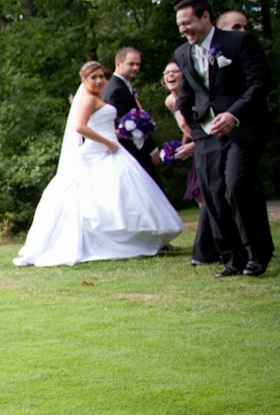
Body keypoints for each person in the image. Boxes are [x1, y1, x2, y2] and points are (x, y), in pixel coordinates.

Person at [14, 61, 184, 267]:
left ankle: (134, 240)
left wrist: (126, 132)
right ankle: (108, 241)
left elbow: (100, 124)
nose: (99, 81)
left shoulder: (97, 98)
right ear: (83, 80)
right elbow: (80, 127)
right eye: (93, 77)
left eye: (101, 77)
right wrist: (107, 143)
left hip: (112, 147)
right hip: (99, 151)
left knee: (125, 194)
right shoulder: (87, 99)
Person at [173, 0, 274, 276]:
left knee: (237, 185)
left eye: (187, 22)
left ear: (205, 17)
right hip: (205, 133)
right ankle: (232, 259)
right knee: (214, 195)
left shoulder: (238, 43)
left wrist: (233, 114)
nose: (183, 29)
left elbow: (260, 83)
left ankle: (257, 255)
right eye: (180, 25)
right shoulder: (183, 53)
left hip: (241, 128)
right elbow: (188, 92)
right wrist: (180, 113)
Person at [161, 62, 220, 265]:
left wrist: (193, 146)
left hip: (211, 143)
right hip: (197, 146)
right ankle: (213, 245)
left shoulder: (198, 94)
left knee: (208, 197)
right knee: (201, 197)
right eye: (167, 72)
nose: (171, 75)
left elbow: (207, 126)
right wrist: (180, 148)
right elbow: (187, 127)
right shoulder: (171, 101)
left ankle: (213, 246)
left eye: (175, 71)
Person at [104, 46, 162, 184]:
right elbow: (131, 127)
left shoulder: (121, 85)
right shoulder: (116, 90)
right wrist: (152, 149)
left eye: (138, 64)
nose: (135, 68)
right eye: (131, 64)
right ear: (119, 63)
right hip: (132, 150)